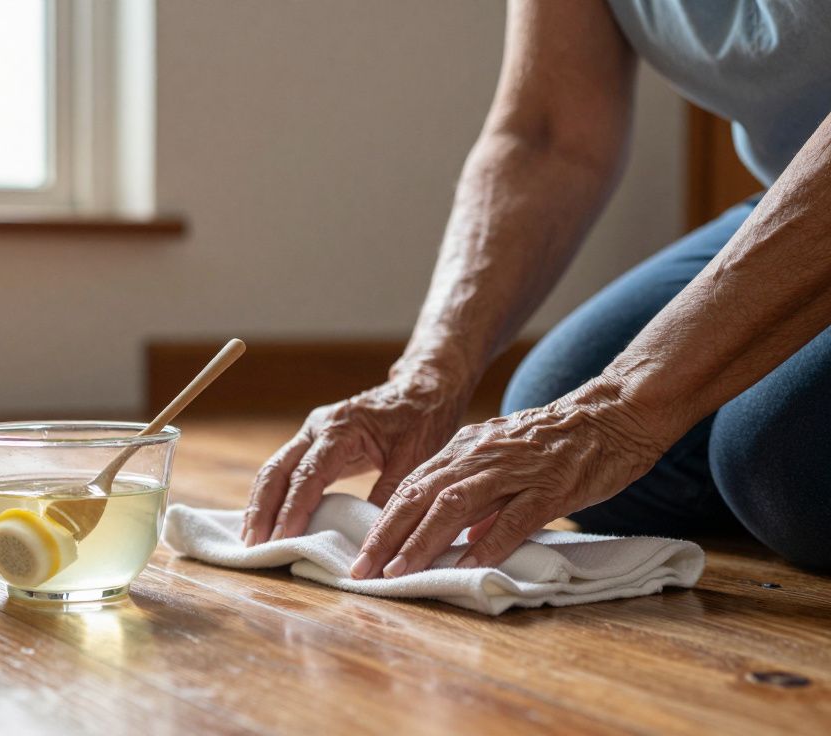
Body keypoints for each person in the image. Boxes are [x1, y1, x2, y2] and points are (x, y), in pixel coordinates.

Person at [242, 0, 831, 578]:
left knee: (782, 465)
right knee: (556, 401)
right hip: (790, 195)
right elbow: (547, 134)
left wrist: (620, 412)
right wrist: (426, 377)